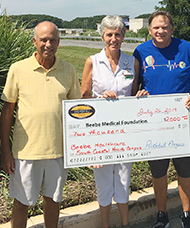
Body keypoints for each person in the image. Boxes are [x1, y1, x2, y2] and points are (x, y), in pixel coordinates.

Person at [0, 21, 82, 228]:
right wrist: (5, 152)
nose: (48, 44)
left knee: (53, 201)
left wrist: (78, 149)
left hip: (58, 151)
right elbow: (7, 112)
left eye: (53, 40)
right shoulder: (18, 69)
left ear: (59, 42)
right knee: (21, 203)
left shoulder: (69, 70)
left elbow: (77, 112)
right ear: (34, 41)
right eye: (43, 40)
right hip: (26, 152)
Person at [133, 11, 190, 228]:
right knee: (158, 173)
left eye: (164, 27)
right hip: (154, 126)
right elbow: (135, 87)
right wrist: (139, 94)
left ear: (172, 29)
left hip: (182, 124)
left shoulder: (186, 48)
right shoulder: (141, 51)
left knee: (184, 172)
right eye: (156, 27)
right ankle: (161, 214)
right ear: (150, 30)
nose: (160, 31)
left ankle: (186, 214)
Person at [81, 15, 147, 228]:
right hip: (100, 131)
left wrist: (140, 96)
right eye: (109, 34)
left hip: (125, 131)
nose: (114, 38)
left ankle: (125, 224)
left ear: (123, 36)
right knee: (103, 181)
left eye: (118, 34)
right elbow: (83, 99)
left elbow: (134, 91)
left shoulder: (132, 62)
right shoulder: (92, 61)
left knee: (123, 178)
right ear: (103, 36)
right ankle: (105, 225)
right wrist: (100, 100)